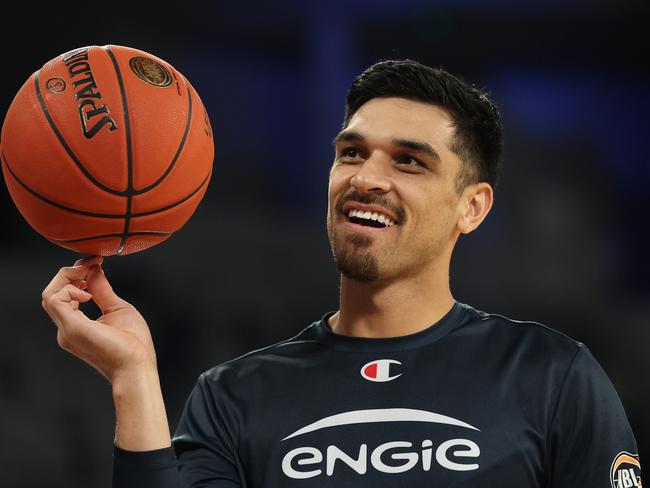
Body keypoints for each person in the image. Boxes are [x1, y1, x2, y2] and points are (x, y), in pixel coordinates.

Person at [41, 59, 641, 487]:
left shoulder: (553, 375)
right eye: (352, 153)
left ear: (473, 206)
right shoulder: (234, 395)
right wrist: (133, 377)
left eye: (409, 161)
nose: (367, 177)